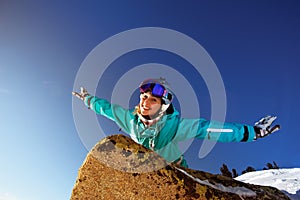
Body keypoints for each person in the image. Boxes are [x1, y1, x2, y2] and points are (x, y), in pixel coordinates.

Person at [72, 78, 280, 168]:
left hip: (178, 168)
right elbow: (105, 108)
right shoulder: (129, 119)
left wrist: (250, 132)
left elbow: (210, 129)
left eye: (153, 100)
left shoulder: (175, 127)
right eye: (144, 98)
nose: (145, 103)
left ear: (162, 107)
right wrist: (88, 100)